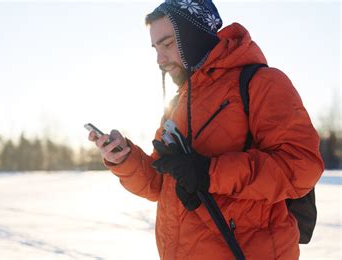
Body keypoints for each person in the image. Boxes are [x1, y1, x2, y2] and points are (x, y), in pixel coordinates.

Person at [87, 0, 324, 259]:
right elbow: (159, 184)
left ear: (194, 36)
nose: (160, 59)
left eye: (167, 44)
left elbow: (302, 166)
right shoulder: (179, 103)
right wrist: (124, 159)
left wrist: (210, 173)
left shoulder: (261, 83)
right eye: (155, 48)